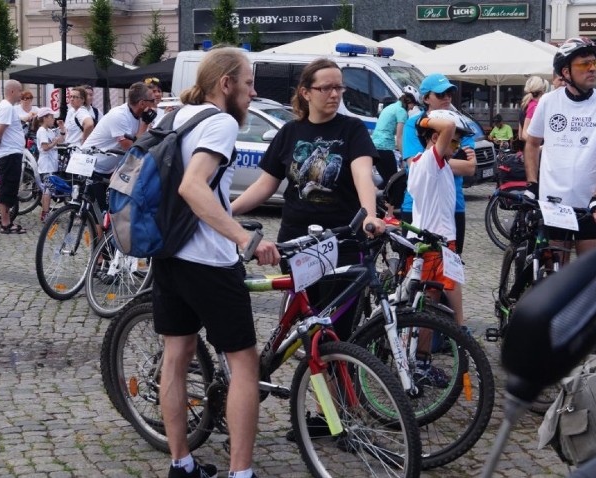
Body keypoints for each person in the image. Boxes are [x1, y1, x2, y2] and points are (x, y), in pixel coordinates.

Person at [154, 47, 279, 478]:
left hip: (168, 255)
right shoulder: (220, 122)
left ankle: (181, 465)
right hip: (208, 260)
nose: (253, 92)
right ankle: (241, 473)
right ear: (225, 84)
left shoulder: (172, 116)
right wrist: (243, 236)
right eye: (247, 83)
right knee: (244, 364)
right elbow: (193, 187)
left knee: (175, 356)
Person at [232, 58, 385, 333]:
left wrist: (369, 216)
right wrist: (225, 211)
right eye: (326, 88)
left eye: (339, 87)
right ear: (306, 92)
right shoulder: (290, 131)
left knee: (339, 327)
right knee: (309, 326)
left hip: (342, 242)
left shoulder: (352, 129)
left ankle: (339, 372)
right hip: (297, 243)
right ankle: (310, 374)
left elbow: (363, 173)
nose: (335, 94)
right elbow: (265, 186)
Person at [524, 37, 596, 259]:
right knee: (554, 278)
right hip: (553, 204)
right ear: (566, 72)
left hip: (591, 205)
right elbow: (532, 144)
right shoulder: (548, 102)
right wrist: (532, 183)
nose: (592, 69)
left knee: (591, 279)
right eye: (584, 64)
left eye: (594, 63)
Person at [408, 109, 475, 377]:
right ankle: (418, 363)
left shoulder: (441, 164)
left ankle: (422, 359)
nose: (457, 147)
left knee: (430, 307)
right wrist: (422, 121)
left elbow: (469, 168)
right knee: (426, 307)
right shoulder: (428, 161)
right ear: (437, 138)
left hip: (442, 244)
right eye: (455, 142)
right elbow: (446, 126)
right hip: (431, 246)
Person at [81, 82, 155, 213]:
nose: (156, 104)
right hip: (92, 165)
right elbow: (132, 149)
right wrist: (145, 124)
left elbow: (143, 142)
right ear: (142, 103)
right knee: (100, 213)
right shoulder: (120, 115)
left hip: (108, 167)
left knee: (113, 210)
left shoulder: (138, 116)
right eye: (152, 101)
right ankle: (98, 233)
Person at [0, 79, 28, 234]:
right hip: (9, 153)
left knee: (10, 186)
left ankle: (7, 221)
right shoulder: (6, 108)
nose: (21, 94)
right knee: (8, 187)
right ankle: (5, 223)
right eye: (20, 91)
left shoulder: (6, 107)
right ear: (12, 91)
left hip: (11, 152)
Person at [371, 85, 418, 183]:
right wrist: (405, 156)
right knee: (393, 181)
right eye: (413, 104)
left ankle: (376, 195)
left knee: (387, 180)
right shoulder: (402, 112)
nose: (412, 108)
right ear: (408, 101)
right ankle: (377, 195)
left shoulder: (391, 107)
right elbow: (400, 137)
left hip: (374, 147)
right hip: (384, 148)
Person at [33, 107, 65, 220]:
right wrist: (55, 142)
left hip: (51, 164)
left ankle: (46, 212)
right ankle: (45, 214)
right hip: (46, 165)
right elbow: (45, 147)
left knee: (49, 189)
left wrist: (62, 128)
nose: (53, 119)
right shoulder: (42, 131)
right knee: (48, 190)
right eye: (51, 117)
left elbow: (61, 140)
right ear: (45, 118)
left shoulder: (49, 131)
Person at [518, 76, 548, 141]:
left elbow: (520, 136)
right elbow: (524, 134)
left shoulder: (525, 105)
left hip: (527, 147)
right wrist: (539, 146)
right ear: (542, 91)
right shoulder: (535, 106)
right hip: (537, 149)